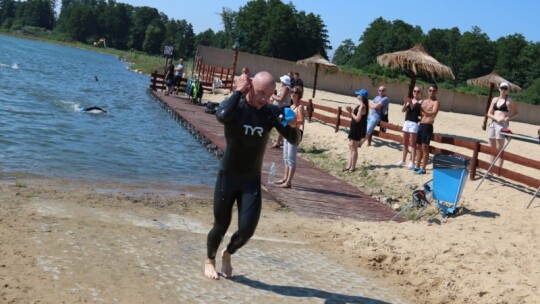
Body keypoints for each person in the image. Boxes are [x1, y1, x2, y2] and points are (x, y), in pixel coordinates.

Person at [204, 71, 302, 280]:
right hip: (228, 176)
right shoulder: (236, 107)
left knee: (247, 230)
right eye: (260, 93)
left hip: (251, 180)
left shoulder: (269, 113)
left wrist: (295, 126)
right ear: (249, 88)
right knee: (220, 225)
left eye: (269, 94)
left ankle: (228, 252)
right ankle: (209, 260)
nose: (264, 98)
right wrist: (238, 92)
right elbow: (221, 115)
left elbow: (294, 140)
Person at [276, 86, 306, 188]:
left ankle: (288, 182)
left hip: (295, 133)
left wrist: (291, 122)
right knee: (286, 157)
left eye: (296, 93)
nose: (293, 94)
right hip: (288, 132)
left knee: (291, 158)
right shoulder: (291, 106)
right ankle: (285, 178)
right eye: (292, 92)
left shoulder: (300, 107)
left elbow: (301, 121)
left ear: (299, 95)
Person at [486, 82, 519, 171]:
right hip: (493, 124)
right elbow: (489, 113)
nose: (503, 90)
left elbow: (516, 113)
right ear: (499, 89)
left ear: (508, 90)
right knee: (492, 148)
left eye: (505, 88)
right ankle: (490, 168)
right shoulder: (495, 99)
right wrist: (495, 118)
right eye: (502, 88)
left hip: (502, 125)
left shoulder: (510, 100)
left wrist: (508, 118)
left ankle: (499, 170)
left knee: (499, 148)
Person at [414, 84, 440, 175]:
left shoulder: (436, 102)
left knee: (425, 147)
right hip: (421, 124)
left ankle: (423, 168)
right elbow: (420, 112)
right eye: (430, 90)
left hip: (428, 126)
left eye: (433, 91)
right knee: (418, 146)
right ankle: (417, 166)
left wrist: (423, 110)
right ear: (428, 91)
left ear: (436, 92)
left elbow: (433, 113)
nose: (431, 92)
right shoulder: (424, 101)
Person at [397, 86, 423, 169]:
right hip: (407, 122)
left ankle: (412, 162)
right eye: (414, 91)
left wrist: (410, 102)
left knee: (413, 143)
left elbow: (415, 110)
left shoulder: (420, 102)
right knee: (405, 142)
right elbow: (403, 110)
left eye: (418, 91)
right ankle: (403, 160)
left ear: (420, 93)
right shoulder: (410, 100)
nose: (416, 92)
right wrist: (405, 103)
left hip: (414, 123)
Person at [343, 89, 368, 172]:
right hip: (354, 127)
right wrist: (351, 112)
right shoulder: (360, 105)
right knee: (351, 146)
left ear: (362, 97)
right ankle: (349, 165)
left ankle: (353, 167)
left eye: (359, 94)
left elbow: (357, 119)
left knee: (354, 148)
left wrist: (350, 112)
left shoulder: (362, 106)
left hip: (357, 129)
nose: (357, 95)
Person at [270, 75, 292, 148]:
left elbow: (281, 99)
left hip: (283, 109)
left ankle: (279, 142)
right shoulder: (285, 88)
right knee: (282, 125)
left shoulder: (286, 88)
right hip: (282, 108)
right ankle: (280, 141)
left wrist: (273, 95)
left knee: (281, 125)